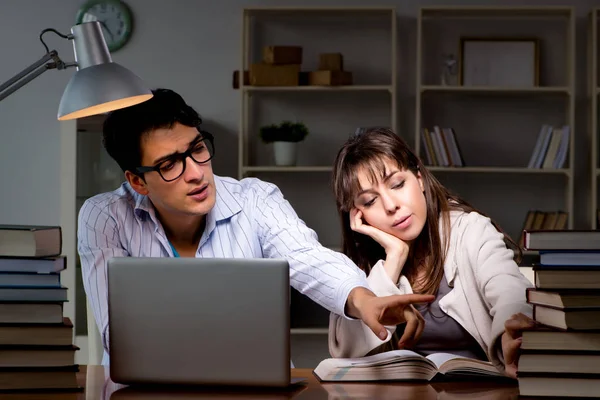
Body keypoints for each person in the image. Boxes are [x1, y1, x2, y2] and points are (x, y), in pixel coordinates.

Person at [77, 89, 434, 366]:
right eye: (170, 164)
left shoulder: (255, 199)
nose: (196, 172)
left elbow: (308, 258)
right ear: (138, 182)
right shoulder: (104, 217)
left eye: (197, 148)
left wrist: (364, 299)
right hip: (147, 392)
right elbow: (117, 333)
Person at [328, 127, 536, 378]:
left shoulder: (470, 230)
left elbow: (510, 291)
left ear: (419, 178)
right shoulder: (363, 261)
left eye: (397, 184)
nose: (391, 205)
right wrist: (393, 260)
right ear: (358, 215)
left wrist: (510, 332)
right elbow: (345, 352)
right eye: (370, 201)